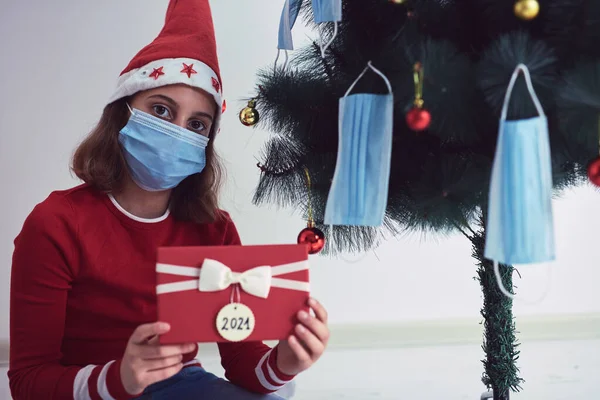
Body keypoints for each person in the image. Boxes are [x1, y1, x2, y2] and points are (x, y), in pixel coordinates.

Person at [7, 1, 330, 399]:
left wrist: (283, 364)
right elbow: (26, 382)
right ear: (122, 114)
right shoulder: (56, 223)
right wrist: (119, 379)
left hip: (183, 385)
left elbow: (242, 359)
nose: (177, 131)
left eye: (197, 124)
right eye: (160, 109)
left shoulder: (214, 228)